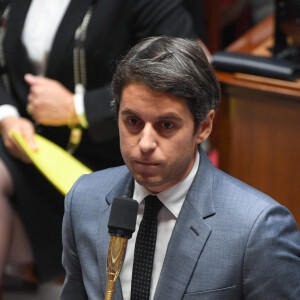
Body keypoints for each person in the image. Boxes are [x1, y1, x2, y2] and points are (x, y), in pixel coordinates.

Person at [61, 36, 300, 299]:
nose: (145, 143)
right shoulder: (83, 200)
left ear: (204, 127)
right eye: (133, 121)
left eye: (166, 125)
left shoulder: (258, 229)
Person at [0, 0, 198, 291]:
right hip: (23, 139)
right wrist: (7, 115)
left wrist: (76, 108)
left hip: (104, 153)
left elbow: (182, 74)